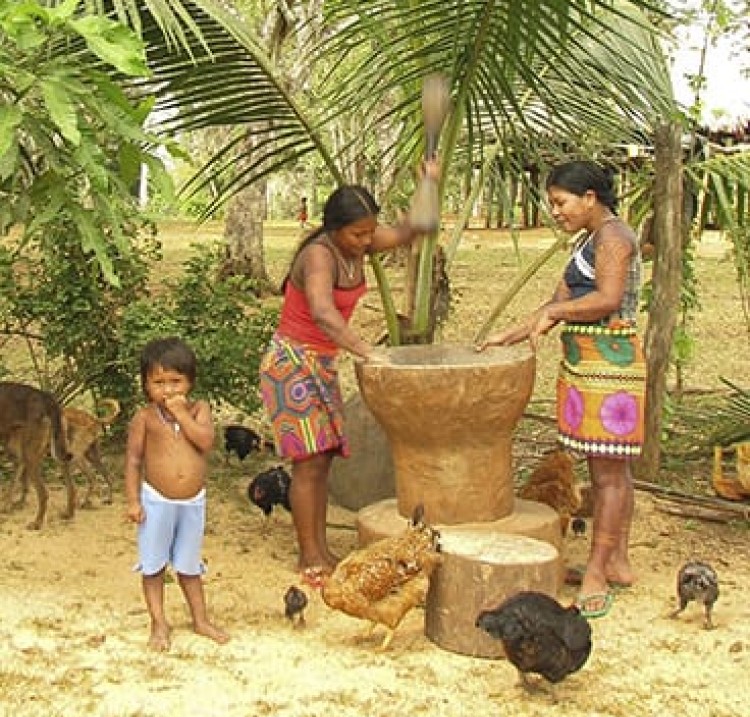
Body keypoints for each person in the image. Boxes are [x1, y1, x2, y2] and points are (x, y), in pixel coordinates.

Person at [477, 160, 646, 619]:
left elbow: (607, 299)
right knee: (612, 468)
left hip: (609, 366)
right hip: (591, 364)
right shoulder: (591, 239)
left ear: (590, 198)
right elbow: (558, 302)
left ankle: (595, 571)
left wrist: (555, 316)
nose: (555, 211)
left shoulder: (614, 237)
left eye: (560, 202)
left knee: (607, 473)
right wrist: (510, 333)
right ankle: (617, 560)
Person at [260, 163, 440, 584]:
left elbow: (414, 227)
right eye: (357, 234)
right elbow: (323, 312)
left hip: (320, 366)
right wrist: (366, 350)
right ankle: (309, 556)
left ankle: (320, 547)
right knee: (307, 464)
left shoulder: (358, 241)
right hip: (291, 364)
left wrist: (428, 182)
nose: (365, 241)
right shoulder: (318, 256)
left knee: (321, 463)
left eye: (369, 232)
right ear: (333, 228)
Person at [125, 336, 229, 650]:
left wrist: (182, 415)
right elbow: (133, 460)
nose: (168, 390)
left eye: (176, 381)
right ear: (146, 385)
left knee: (189, 565)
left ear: (190, 382)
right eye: (159, 382)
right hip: (156, 502)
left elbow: (206, 442)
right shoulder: (144, 418)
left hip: (192, 503)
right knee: (153, 565)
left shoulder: (199, 410)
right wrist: (133, 501)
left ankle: (201, 619)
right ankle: (159, 622)